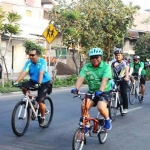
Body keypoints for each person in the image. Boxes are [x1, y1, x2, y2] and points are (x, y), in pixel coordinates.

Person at [71, 47, 112, 134]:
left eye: (97, 57)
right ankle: (87, 125)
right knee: (84, 107)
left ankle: (107, 119)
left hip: (104, 91)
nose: (94, 59)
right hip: (92, 92)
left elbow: (104, 80)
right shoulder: (87, 67)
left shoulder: (106, 67)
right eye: (92, 58)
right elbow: (81, 78)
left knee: (101, 107)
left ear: (101, 57)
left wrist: (100, 90)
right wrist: (76, 88)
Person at [13, 48, 51, 127]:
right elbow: (24, 72)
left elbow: (41, 73)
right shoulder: (28, 62)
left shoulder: (42, 62)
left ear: (37, 55)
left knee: (40, 101)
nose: (30, 57)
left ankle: (43, 118)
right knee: (23, 87)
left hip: (44, 82)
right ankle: (31, 101)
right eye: (29, 55)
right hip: (33, 81)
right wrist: (17, 81)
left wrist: (39, 83)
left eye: (32, 55)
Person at [111, 48, 129, 114]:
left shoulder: (125, 62)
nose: (117, 56)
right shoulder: (113, 62)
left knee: (123, 93)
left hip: (123, 79)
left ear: (122, 55)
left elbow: (127, 69)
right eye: (116, 55)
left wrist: (126, 77)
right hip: (115, 79)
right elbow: (108, 70)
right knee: (111, 90)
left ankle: (125, 107)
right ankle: (116, 99)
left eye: (119, 55)